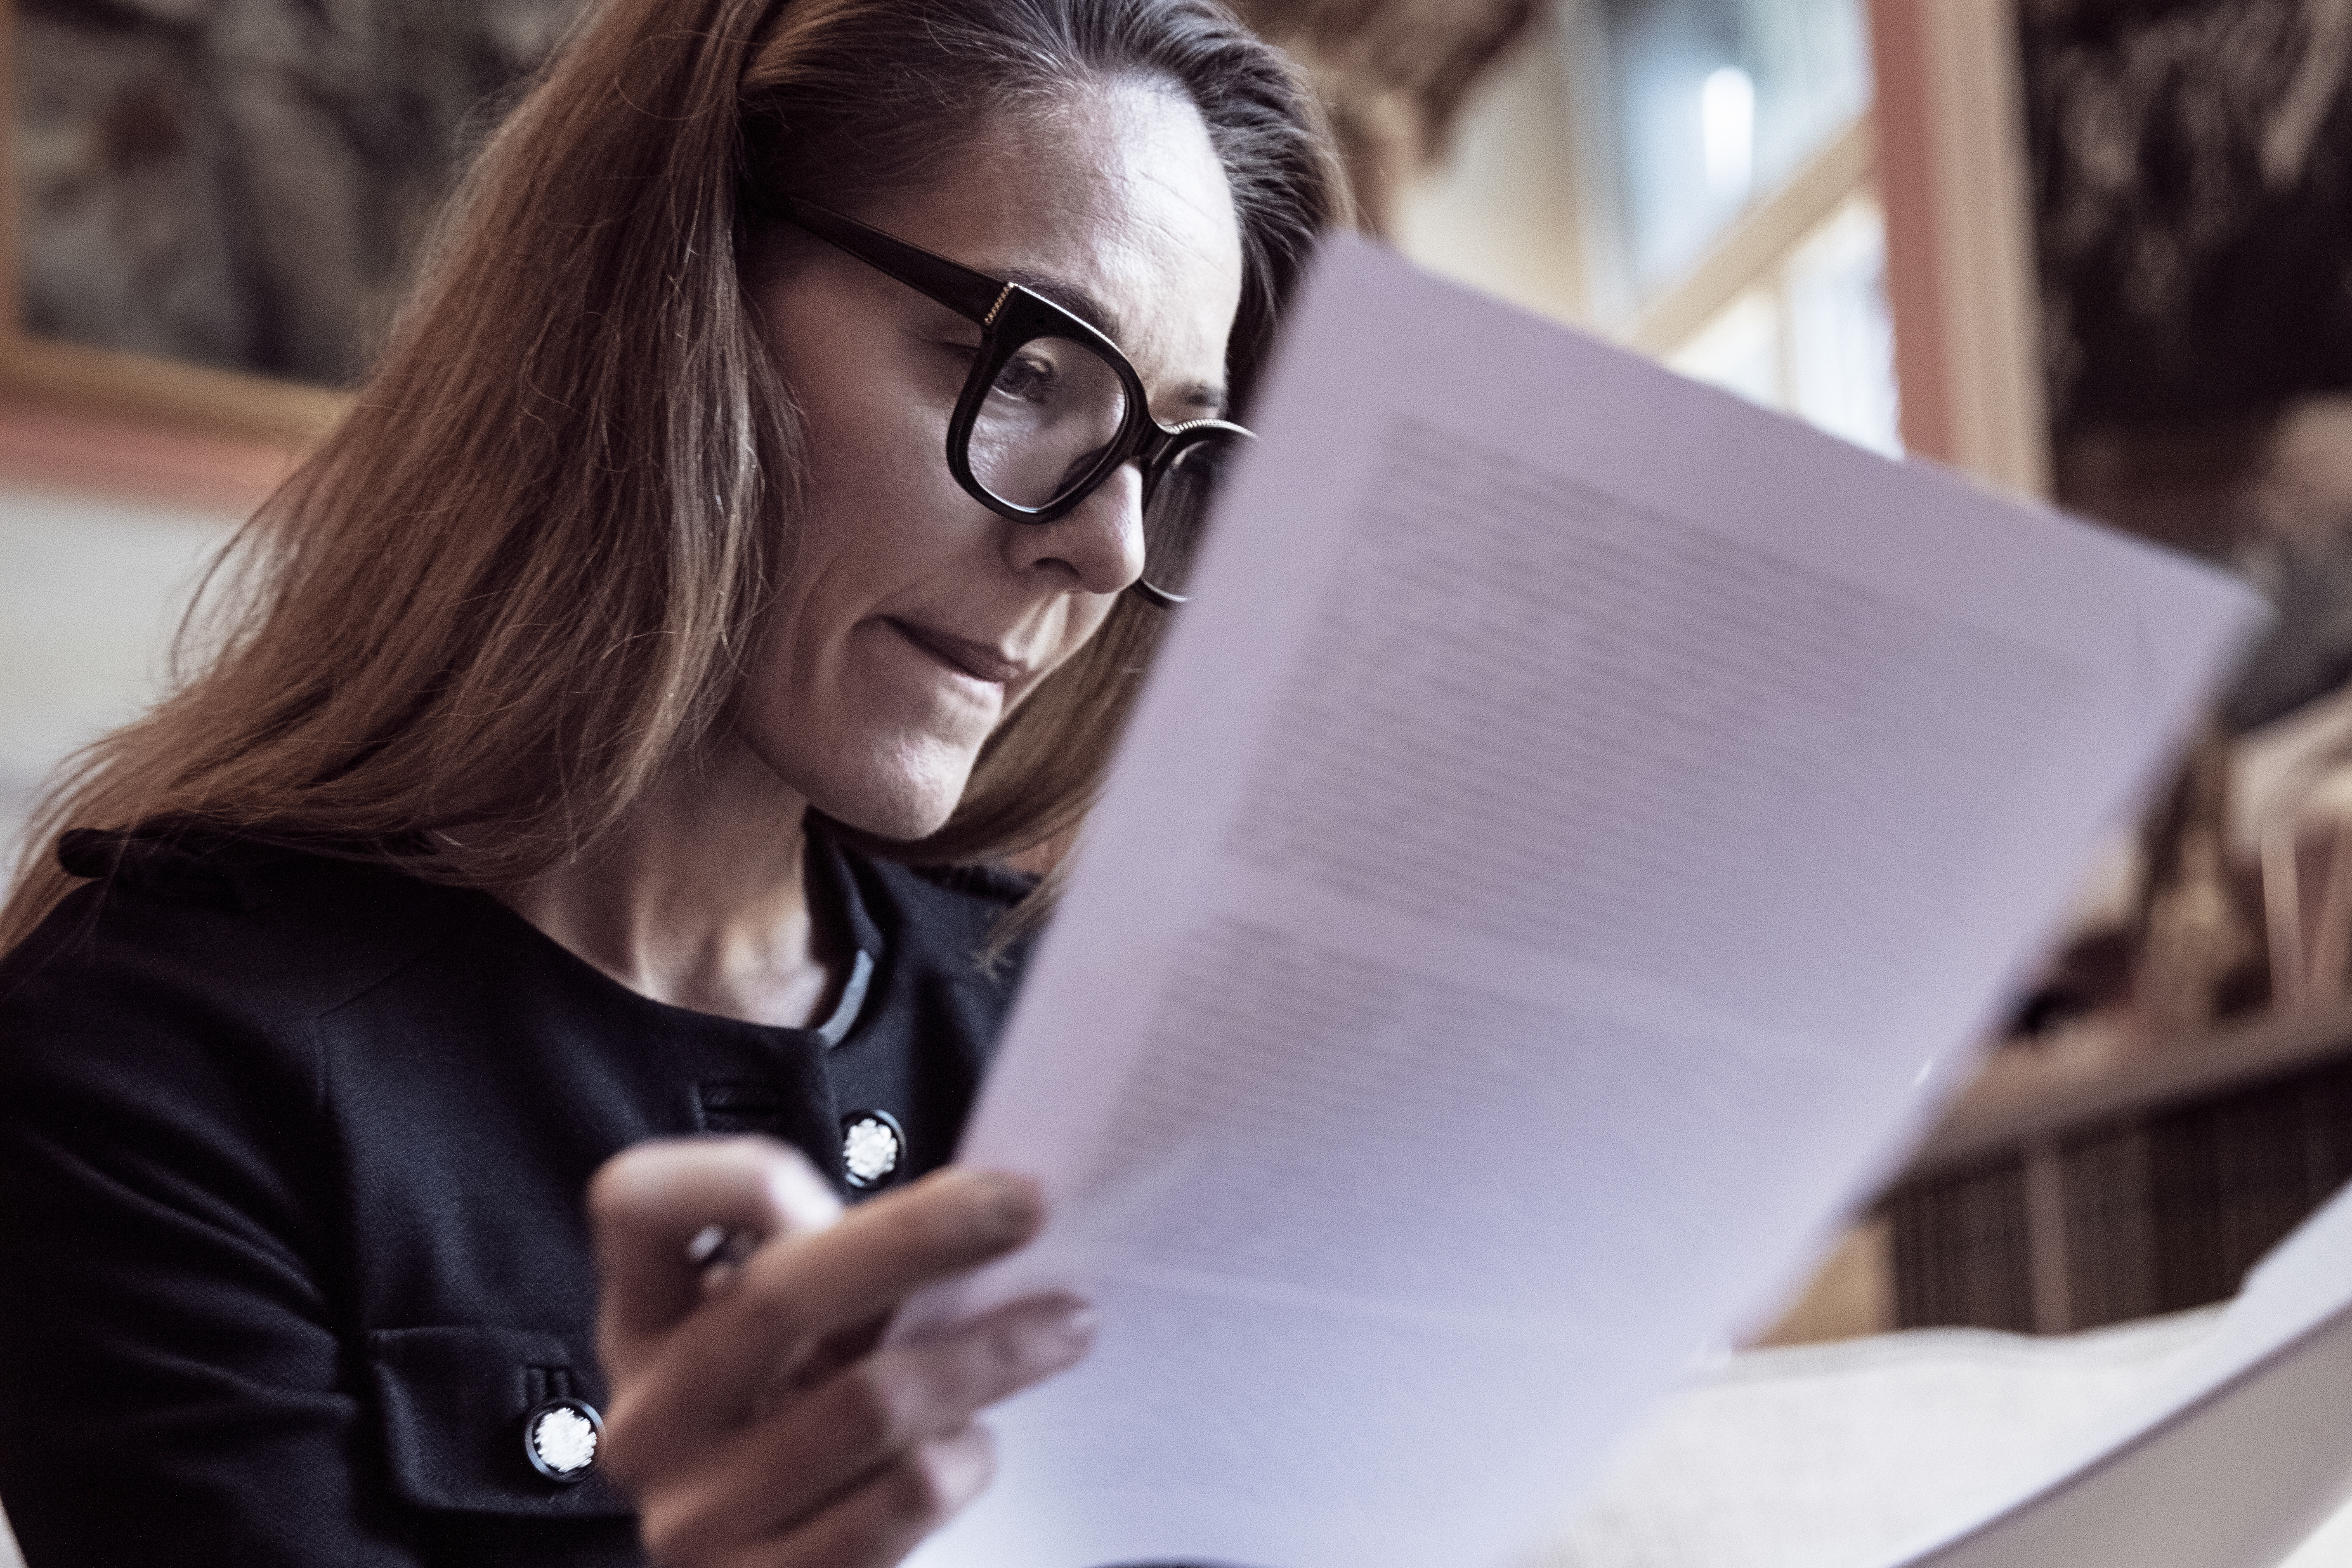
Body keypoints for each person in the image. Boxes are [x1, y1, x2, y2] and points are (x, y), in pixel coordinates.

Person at [0, 0, 1344, 1562]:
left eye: (1171, 454)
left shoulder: (1069, 1022)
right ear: (671, 302)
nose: (1106, 547)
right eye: (1032, 369)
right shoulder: (152, 1066)